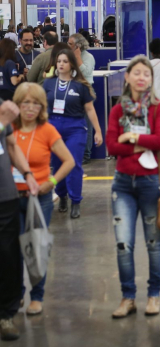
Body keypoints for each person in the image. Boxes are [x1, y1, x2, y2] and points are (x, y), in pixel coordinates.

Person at [106, 56, 160, 319]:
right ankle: (128, 297)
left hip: (152, 183)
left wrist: (131, 137)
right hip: (122, 183)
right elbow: (112, 146)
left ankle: (154, 295)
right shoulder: (118, 110)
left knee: (154, 242)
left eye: (147, 74)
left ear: (151, 79)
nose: (142, 77)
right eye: (137, 73)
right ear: (128, 77)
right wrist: (144, 143)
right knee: (124, 243)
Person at [12, 82, 74, 316]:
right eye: (25, 102)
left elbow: (68, 161)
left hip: (40, 198)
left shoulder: (47, 130)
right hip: (10, 197)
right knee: (12, 249)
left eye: (35, 103)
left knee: (36, 247)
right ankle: (16, 293)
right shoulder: (8, 129)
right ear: (17, 104)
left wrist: (53, 182)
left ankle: (36, 296)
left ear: (42, 107)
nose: (29, 108)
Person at [42, 49, 102, 218]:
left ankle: (76, 200)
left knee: (74, 163)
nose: (61, 64)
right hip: (52, 127)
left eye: (65, 61)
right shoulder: (48, 83)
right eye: (59, 61)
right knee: (57, 163)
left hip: (75, 127)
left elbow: (89, 109)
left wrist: (97, 131)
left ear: (71, 65)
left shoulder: (80, 86)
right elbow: (40, 105)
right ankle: (62, 196)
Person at [0, 96, 33, 342]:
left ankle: (6, 315)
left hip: (6, 196)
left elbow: (11, 145)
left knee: (9, 257)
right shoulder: (4, 115)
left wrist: (27, 173)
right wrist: (2, 122)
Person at [68, 33, 96, 164]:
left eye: (70, 44)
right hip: (73, 91)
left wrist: (78, 58)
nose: (68, 46)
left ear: (77, 46)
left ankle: (86, 154)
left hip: (85, 91)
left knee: (86, 124)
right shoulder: (69, 57)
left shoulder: (88, 57)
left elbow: (86, 72)